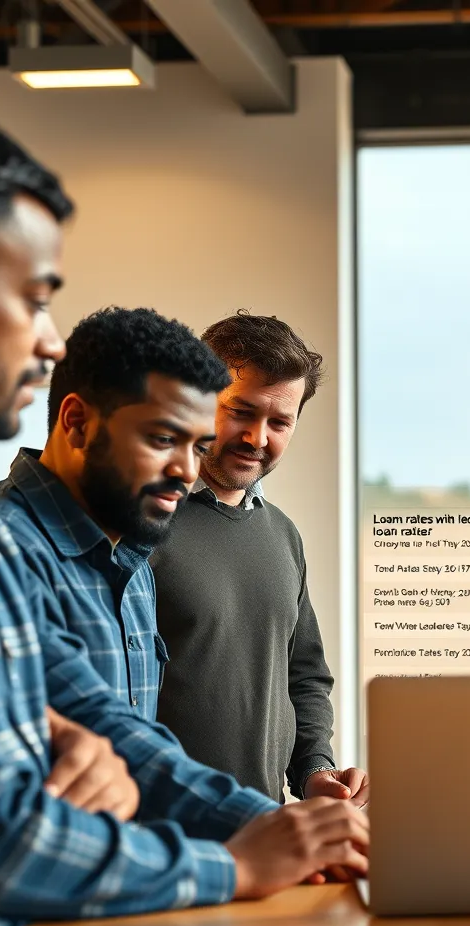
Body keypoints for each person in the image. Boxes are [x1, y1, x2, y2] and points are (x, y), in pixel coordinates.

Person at [0, 104, 366, 926]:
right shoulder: (1, 529)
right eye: (34, 297)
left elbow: (109, 725)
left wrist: (278, 824)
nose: (50, 340)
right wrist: (235, 860)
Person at [151, 312, 369, 806]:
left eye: (279, 422)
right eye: (240, 412)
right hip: (165, 841)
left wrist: (316, 770)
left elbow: (305, 675)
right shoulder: (140, 525)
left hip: (270, 834)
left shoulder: (283, 535)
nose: (258, 438)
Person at [0, 305, 230, 721]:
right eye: (164, 438)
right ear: (77, 422)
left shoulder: (134, 563)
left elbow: (135, 747)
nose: (187, 471)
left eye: (200, 448)